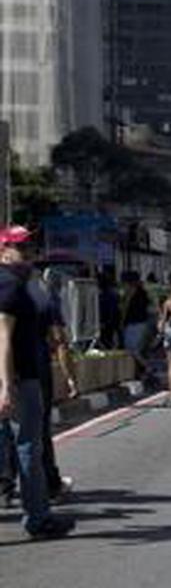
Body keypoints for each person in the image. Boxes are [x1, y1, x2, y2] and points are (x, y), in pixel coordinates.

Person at [0, 226, 72, 538]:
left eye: (30, 246)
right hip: (19, 378)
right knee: (29, 447)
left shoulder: (22, 283)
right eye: (19, 247)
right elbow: (3, 338)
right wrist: (6, 385)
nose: (27, 252)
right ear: (3, 250)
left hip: (19, 377)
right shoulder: (10, 285)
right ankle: (39, 518)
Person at [29, 266, 79, 499]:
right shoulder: (44, 299)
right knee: (38, 431)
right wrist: (70, 378)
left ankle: (6, 486)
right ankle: (49, 484)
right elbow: (59, 340)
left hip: (13, 372)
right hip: (33, 372)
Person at [120, 272, 153, 381]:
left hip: (135, 324)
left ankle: (148, 368)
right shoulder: (143, 293)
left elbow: (125, 309)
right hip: (140, 323)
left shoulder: (133, 294)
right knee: (135, 349)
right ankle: (138, 371)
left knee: (132, 350)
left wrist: (122, 321)